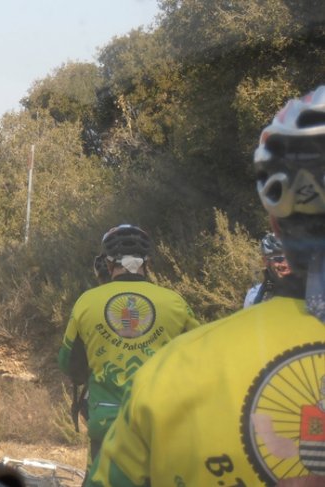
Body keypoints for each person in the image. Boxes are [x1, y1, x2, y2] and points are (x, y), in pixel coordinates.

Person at [87, 88, 325, 487]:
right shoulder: (175, 303)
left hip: (107, 413)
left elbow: (70, 361)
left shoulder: (171, 371)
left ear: (276, 225)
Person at [58, 224, 200, 476]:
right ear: (148, 262)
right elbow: (199, 358)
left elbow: (69, 363)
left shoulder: (87, 302)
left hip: (106, 420)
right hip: (160, 422)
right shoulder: (174, 302)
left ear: (107, 262)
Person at [243, 232, 291, 307]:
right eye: (278, 258)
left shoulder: (309, 292)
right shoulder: (253, 297)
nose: (285, 264)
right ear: (265, 261)